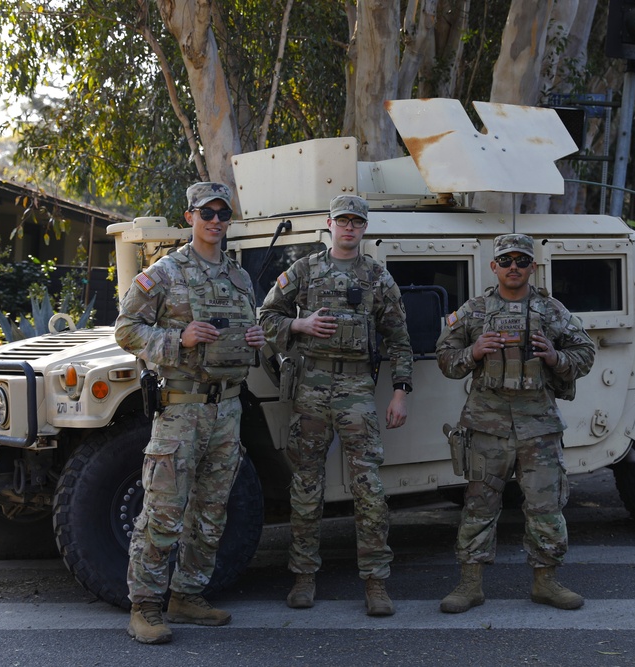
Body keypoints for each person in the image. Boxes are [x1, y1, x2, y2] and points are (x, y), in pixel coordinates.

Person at [115, 181, 266, 644]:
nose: (216, 221)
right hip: (181, 410)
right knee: (163, 511)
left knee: (212, 510)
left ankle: (187, 595)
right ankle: (144, 608)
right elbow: (125, 330)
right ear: (190, 218)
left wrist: (256, 341)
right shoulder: (165, 273)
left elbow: (247, 330)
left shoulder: (239, 279)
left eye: (223, 214)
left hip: (228, 408)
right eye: (207, 213)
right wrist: (177, 340)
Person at [259, 194, 413, 617]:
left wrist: (400, 392)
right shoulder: (304, 270)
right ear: (329, 224)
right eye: (342, 221)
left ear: (364, 228)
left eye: (356, 222)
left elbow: (399, 340)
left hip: (358, 390)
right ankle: (304, 577)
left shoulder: (378, 278)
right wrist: (299, 323)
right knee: (306, 487)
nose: (349, 228)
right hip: (310, 386)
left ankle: (376, 583)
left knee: (369, 489)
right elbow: (266, 318)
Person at [435, 233, 595, 613]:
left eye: (521, 261)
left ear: (532, 267)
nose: (513, 267)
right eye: (506, 260)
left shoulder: (550, 310)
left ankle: (546, 582)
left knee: (546, 505)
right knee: (478, 505)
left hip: (538, 426)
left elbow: (585, 352)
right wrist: (473, 352)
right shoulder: (474, 311)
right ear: (494, 267)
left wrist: (555, 357)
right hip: (487, 425)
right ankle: (470, 584)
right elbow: (444, 356)